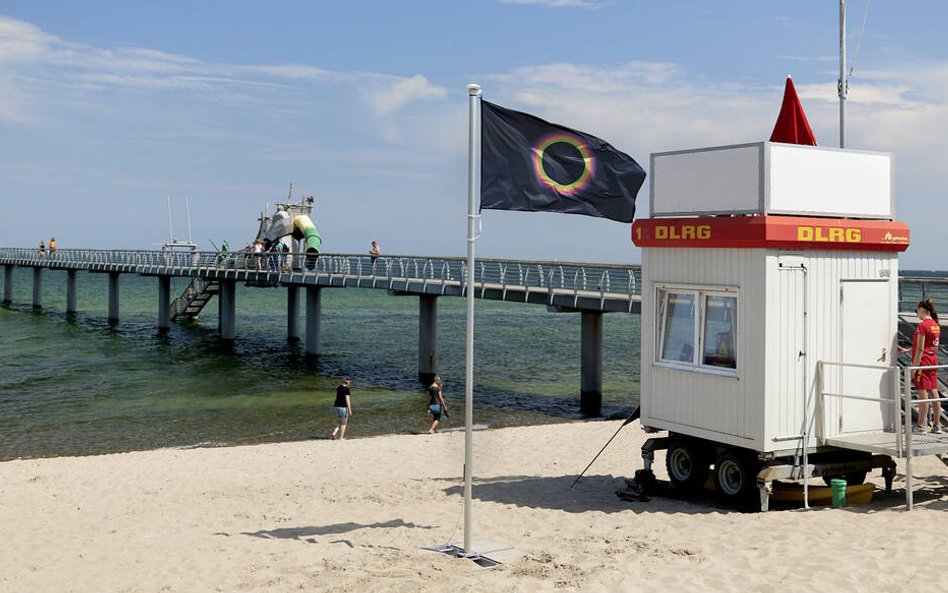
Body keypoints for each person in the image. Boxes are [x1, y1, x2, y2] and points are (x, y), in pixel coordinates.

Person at [904, 299, 942, 433]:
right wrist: (908, 350)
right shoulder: (935, 325)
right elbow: (928, 345)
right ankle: (937, 425)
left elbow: (920, 349)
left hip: (923, 363)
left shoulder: (923, 326)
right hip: (932, 361)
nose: (917, 314)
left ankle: (920, 426)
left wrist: (914, 369)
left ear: (921, 309)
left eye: (917, 311)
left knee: (923, 395)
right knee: (934, 392)